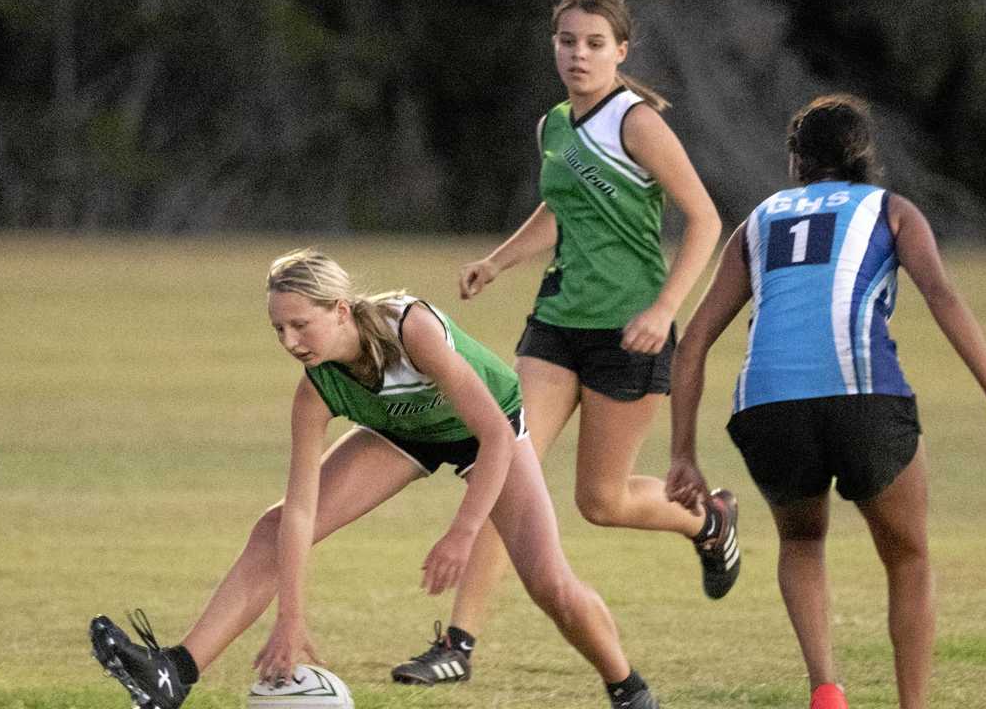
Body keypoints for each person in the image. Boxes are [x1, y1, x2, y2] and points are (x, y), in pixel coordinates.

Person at [89, 249, 662, 709]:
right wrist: (291, 617)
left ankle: (628, 688)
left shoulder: (409, 328)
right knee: (273, 526)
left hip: (487, 428)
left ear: (340, 309)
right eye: (278, 330)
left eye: (300, 324)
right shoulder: (317, 388)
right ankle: (174, 674)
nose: (290, 342)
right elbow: (301, 512)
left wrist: (462, 533)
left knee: (550, 585)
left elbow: (491, 434)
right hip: (401, 431)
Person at [388, 0, 735, 686]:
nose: (578, 55)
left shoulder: (637, 124)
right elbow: (560, 205)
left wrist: (666, 307)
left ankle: (708, 521)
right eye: (568, 41)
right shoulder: (553, 125)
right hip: (555, 326)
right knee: (506, 465)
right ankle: (458, 644)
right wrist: (499, 260)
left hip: (627, 336)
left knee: (600, 502)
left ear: (621, 51)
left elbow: (705, 220)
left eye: (594, 43)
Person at [666, 94, 986, 709]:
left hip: (766, 405)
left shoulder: (757, 222)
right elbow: (942, 297)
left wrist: (682, 452)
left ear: (795, 161)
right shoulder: (891, 210)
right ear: (863, 157)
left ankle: (826, 692)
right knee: (908, 558)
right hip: (863, 397)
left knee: (800, 542)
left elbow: (693, 343)